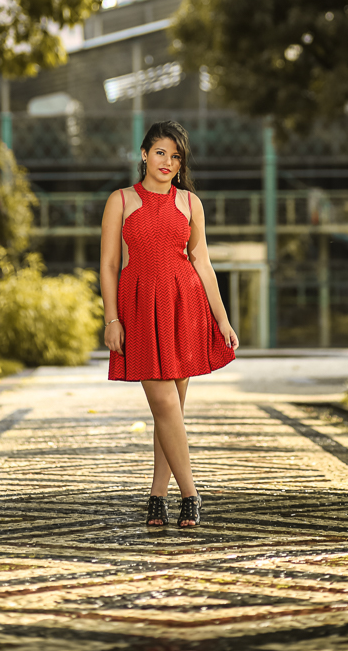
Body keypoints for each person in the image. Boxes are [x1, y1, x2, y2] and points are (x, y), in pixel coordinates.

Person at [100, 120, 239, 528]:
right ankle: (191, 495)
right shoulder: (121, 200)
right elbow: (108, 265)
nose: (168, 162)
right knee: (165, 406)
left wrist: (222, 319)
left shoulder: (190, 203)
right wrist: (111, 318)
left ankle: (157, 496)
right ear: (144, 154)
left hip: (185, 306)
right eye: (160, 153)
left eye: (176, 156)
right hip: (140, 308)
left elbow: (203, 263)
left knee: (171, 411)